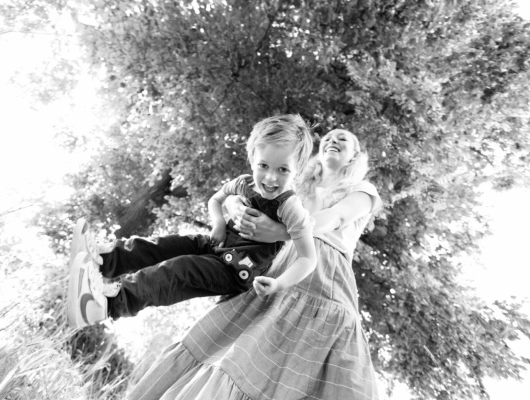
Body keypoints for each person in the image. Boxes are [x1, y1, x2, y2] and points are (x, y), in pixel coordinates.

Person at [126, 128, 383, 400]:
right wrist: (236, 207)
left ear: (355, 154)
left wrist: (281, 232)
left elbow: (335, 218)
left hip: (323, 279)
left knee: (291, 367)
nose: (332, 141)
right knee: (229, 351)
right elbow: (250, 195)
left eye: (342, 139)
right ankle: (118, 288)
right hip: (272, 267)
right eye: (328, 138)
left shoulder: (363, 191)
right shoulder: (292, 185)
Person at [67, 114, 317, 329]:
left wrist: (278, 283)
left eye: (283, 170)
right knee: (166, 244)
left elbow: (308, 258)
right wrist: (218, 223)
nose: (271, 177)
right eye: (263, 165)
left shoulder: (290, 207)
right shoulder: (243, 183)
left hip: (233, 270)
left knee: (179, 271)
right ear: (252, 159)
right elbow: (215, 200)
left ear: (297, 170)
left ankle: (109, 303)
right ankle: (105, 259)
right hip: (214, 243)